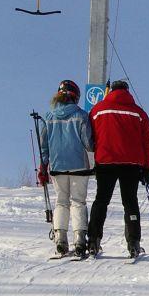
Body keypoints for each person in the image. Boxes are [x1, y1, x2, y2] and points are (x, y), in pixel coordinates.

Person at [87, 80, 149, 258]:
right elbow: (148, 142)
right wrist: (148, 168)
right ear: (127, 91)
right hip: (131, 164)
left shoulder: (97, 110)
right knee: (130, 202)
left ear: (111, 91)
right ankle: (133, 242)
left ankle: (93, 240)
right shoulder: (139, 113)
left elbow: (90, 136)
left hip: (105, 161)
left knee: (101, 200)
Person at [39, 80, 93, 257]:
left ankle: (60, 238)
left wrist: (43, 166)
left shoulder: (48, 117)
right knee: (78, 202)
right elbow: (88, 144)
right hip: (79, 166)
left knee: (61, 202)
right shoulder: (81, 115)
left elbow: (44, 147)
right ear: (76, 97)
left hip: (57, 166)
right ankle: (79, 240)